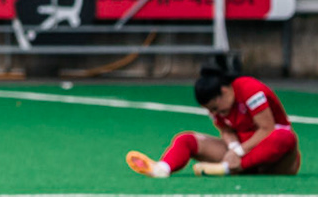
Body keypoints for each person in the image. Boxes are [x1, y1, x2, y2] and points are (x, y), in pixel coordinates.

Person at [126, 65, 302, 178]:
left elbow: (267, 128)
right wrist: (233, 148)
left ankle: (226, 169)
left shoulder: (250, 89)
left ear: (224, 91)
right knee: (186, 139)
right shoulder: (217, 108)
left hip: (274, 157)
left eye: (215, 109)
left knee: (285, 137)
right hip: (242, 153)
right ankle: (162, 168)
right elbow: (226, 130)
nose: (214, 114)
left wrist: (239, 152)